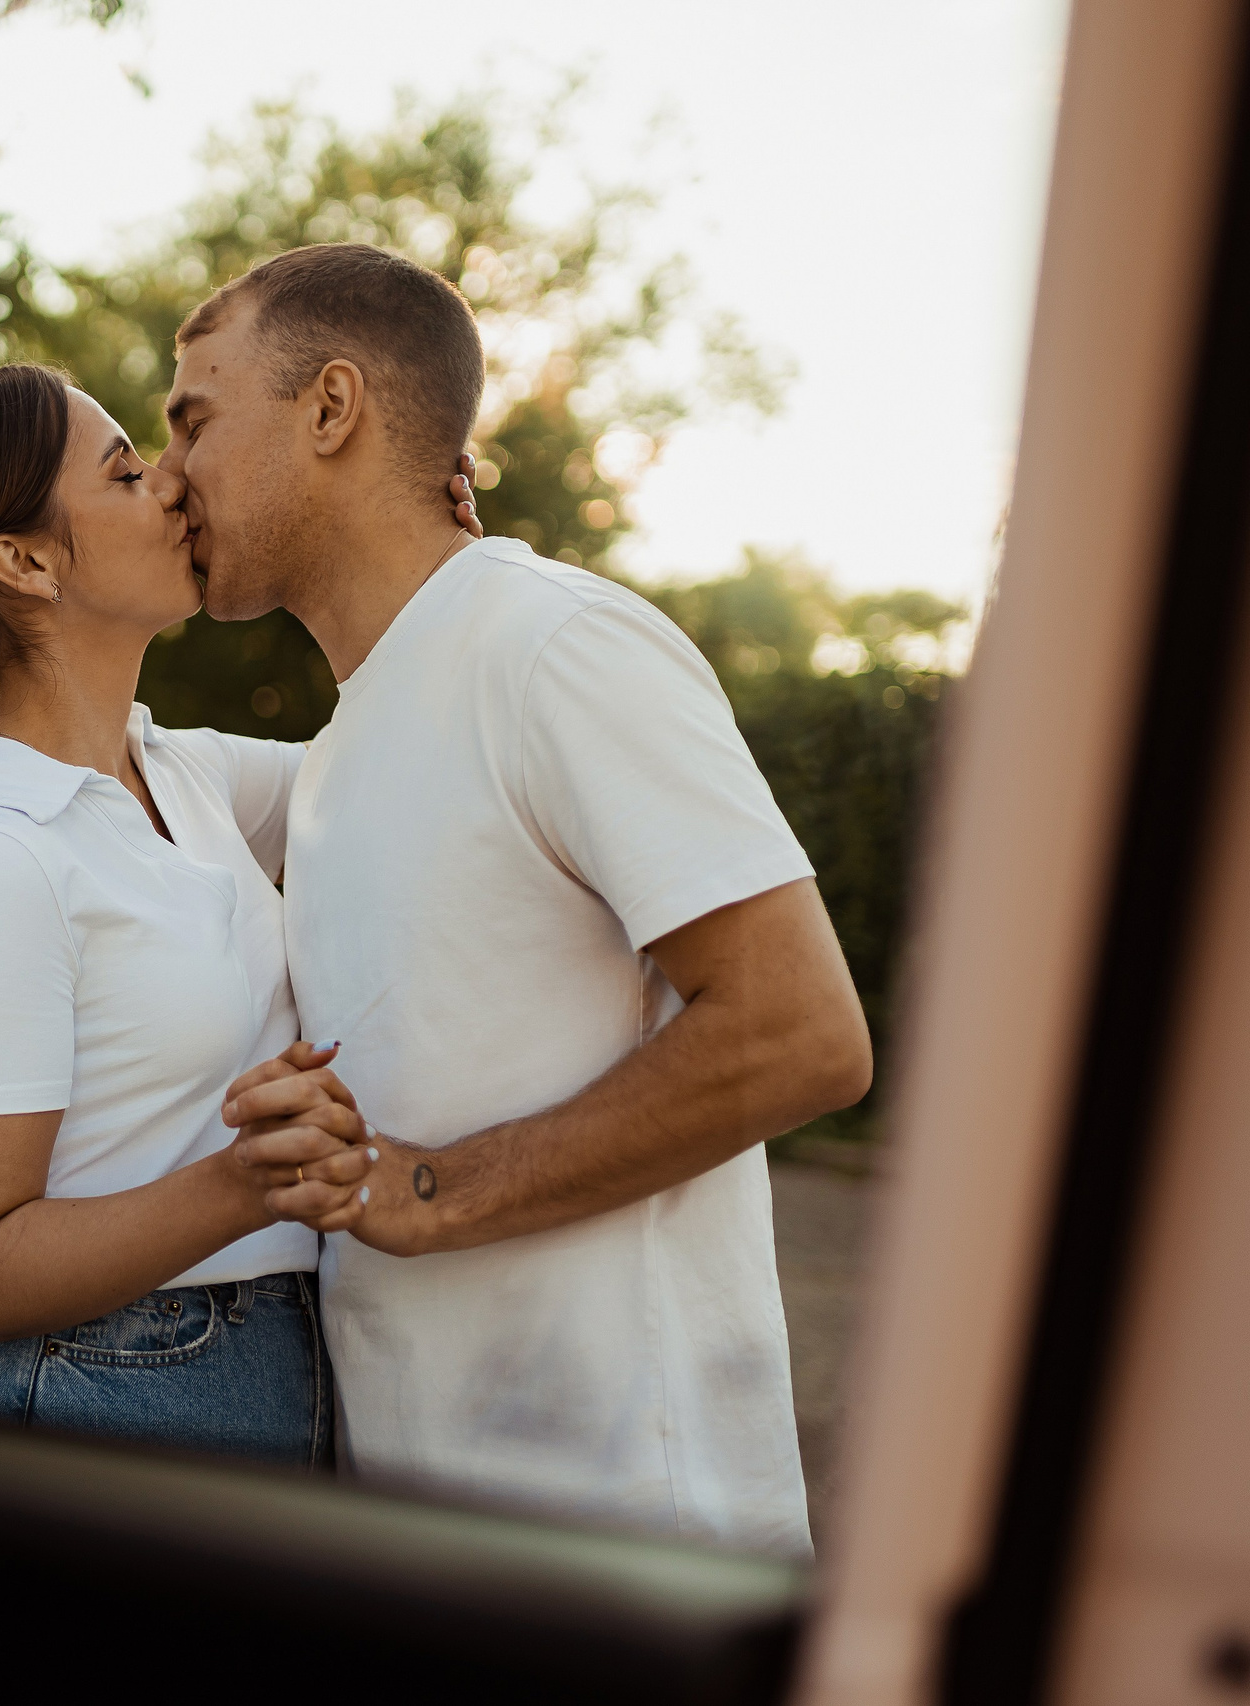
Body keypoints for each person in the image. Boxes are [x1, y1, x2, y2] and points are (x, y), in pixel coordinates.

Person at [158, 242, 872, 1556]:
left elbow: (799, 1029)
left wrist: (433, 1188)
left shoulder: (556, 644)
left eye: (193, 419)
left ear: (330, 407)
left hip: (632, 1541)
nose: (166, 474)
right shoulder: (346, 747)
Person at [0, 363, 451, 1467]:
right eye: (123, 472)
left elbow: (413, 763)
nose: (171, 484)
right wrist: (242, 1181)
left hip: (266, 1374)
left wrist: (424, 540)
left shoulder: (177, 772)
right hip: (100, 1398)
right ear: (24, 561)